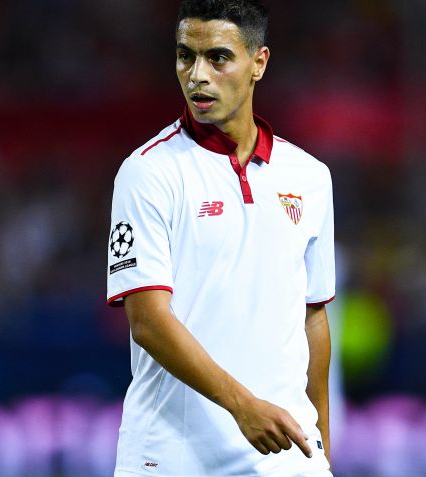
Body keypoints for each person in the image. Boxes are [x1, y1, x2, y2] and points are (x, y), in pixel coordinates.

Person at [106, 1, 335, 475]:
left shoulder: (310, 177)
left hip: (284, 457)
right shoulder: (147, 173)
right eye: (185, 56)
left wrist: (320, 449)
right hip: (173, 457)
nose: (197, 75)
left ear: (258, 62)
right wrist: (242, 406)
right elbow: (147, 321)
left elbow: (313, 316)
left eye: (217, 58)